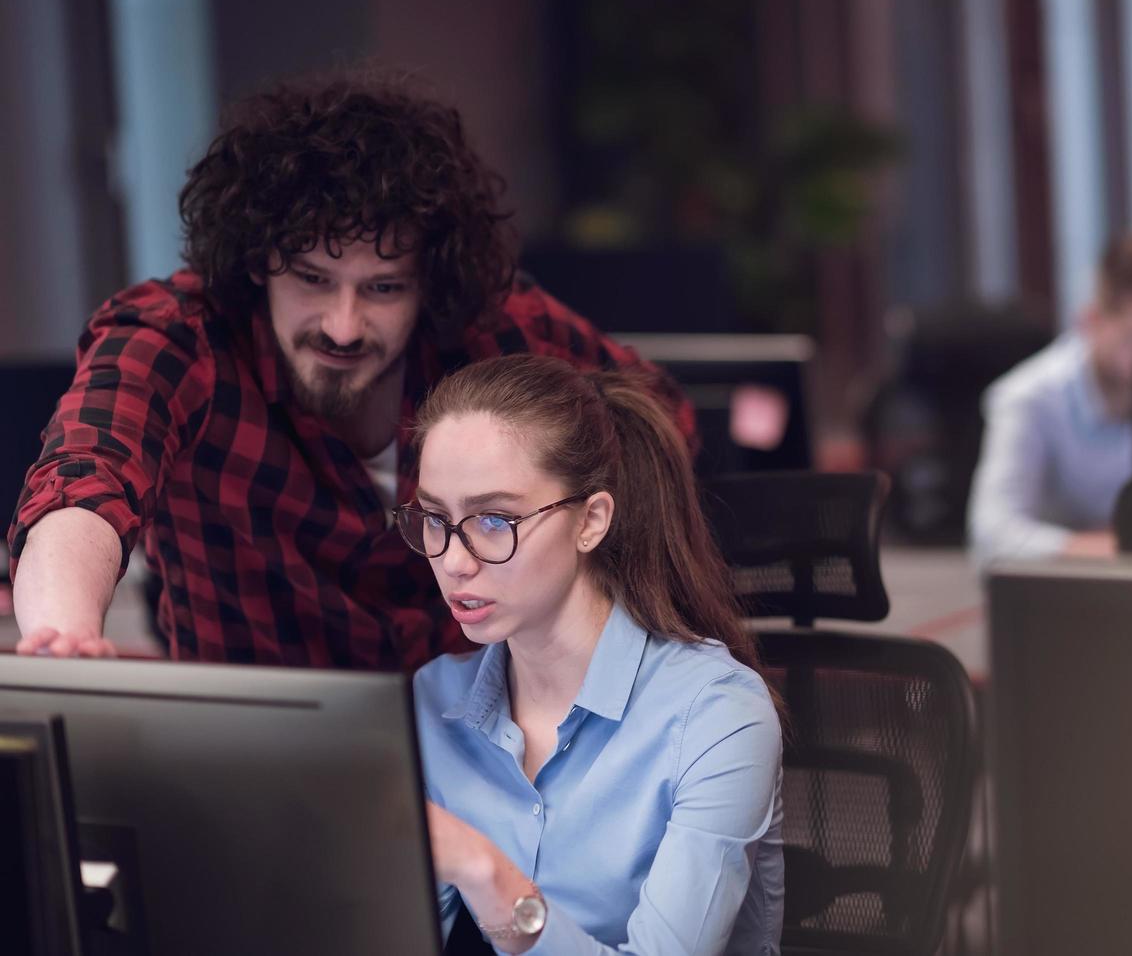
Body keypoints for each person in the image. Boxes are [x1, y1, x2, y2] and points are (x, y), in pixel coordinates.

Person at [7, 72, 691, 668]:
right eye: (312, 278)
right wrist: (62, 637)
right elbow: (85, 477)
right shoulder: (176, 337)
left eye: (383, 288)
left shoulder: (495, 327)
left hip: (493, 753)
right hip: (264, 764)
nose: (343, 325)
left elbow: (655, 421)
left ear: (428, 280)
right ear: (256, 260)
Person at [406, 354, 782, 953]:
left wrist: (483, 870)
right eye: (433, 519)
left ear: (592, 521)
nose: (454, 560)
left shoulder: (715, 714)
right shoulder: (434, 700)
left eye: (494, 520)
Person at [967, 235, 1132, 567]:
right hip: (1057, 599)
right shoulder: (1029, 399)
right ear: (1091, 320)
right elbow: (991, 537)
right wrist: (1120, 547)